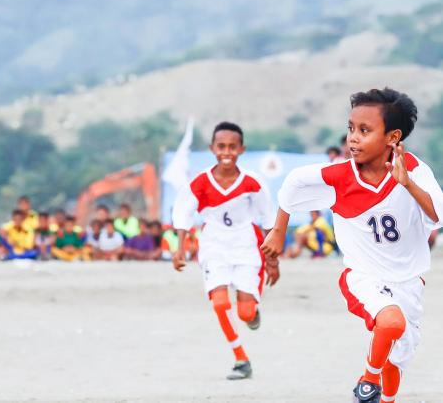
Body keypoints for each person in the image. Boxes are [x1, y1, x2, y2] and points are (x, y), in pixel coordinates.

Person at [261, 88, 443, 403]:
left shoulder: (414, 170)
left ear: (392, 137)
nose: (353, 138)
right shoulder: (339, 177)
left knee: (398, 356)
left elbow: (437, 215)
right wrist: (278, 231)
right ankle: (367, 382)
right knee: (390, 322)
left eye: (364, 130)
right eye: (350, 129)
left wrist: (408, 185)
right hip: (363, 275)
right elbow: (293, 183)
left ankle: (385, 397)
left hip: (409, 279)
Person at [172, 121, 279, 380]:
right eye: (221, 146)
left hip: (246, 245)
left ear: (241, 149)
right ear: (212, 148)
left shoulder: (253, 182)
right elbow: (184, 212)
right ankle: (241, 359)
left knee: (244, 313)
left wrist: (272, 261)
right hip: (214, 244)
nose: (227, 152)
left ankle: (252, 312)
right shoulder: (200, 182)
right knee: (219, 303)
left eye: (232, 146)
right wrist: (180, 248)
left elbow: (268, 220)